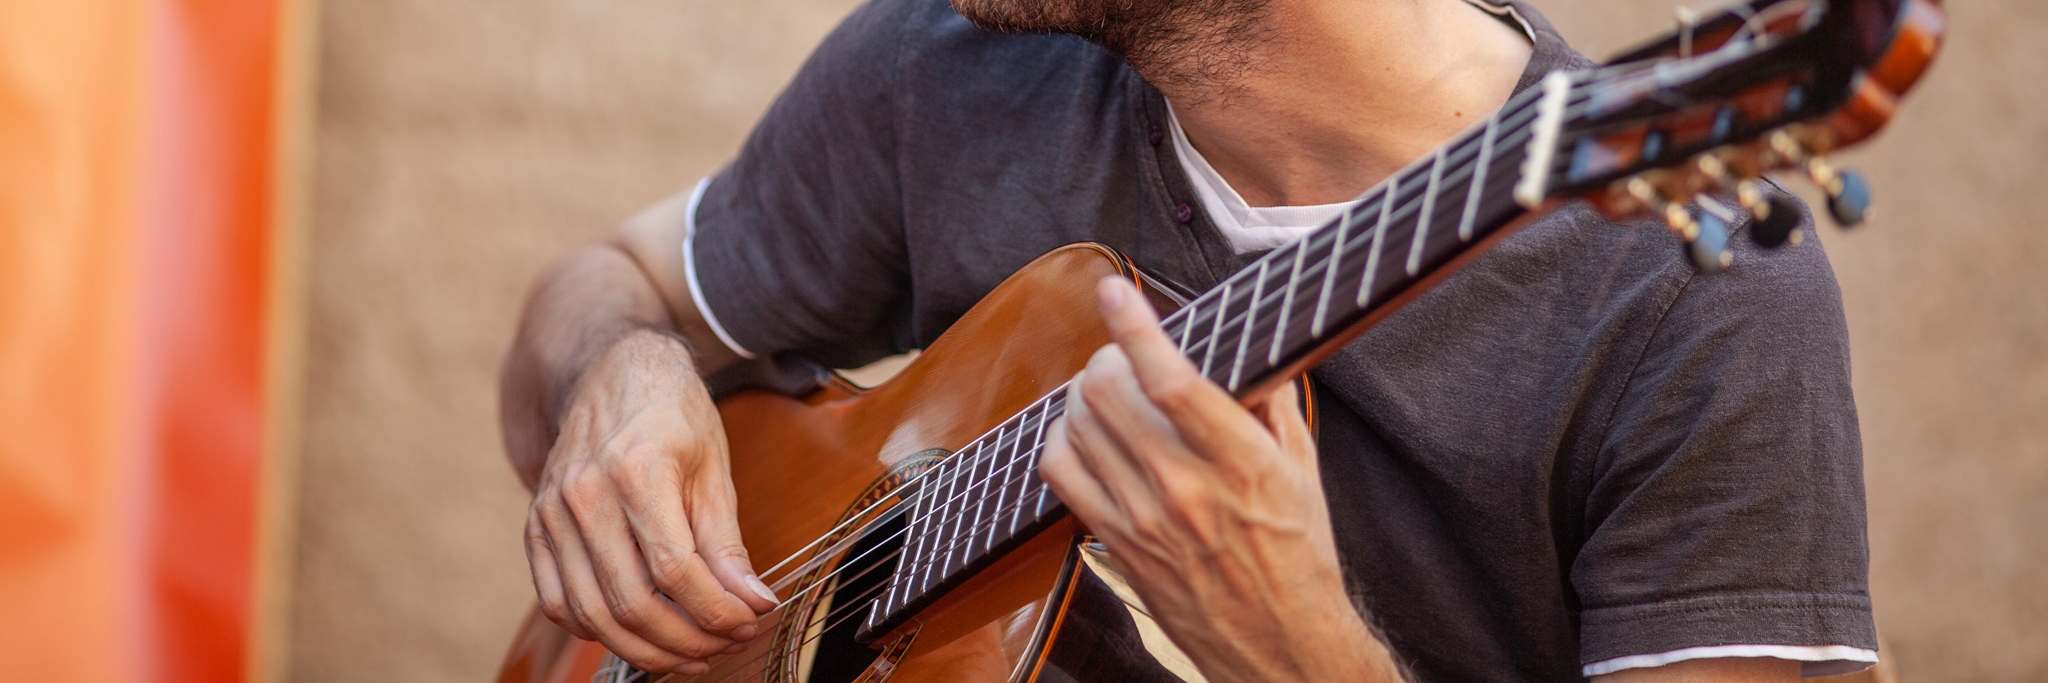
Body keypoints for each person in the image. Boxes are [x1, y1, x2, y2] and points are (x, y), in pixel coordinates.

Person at [498, 0, 1878, 679]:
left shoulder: (1698, 304)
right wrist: (619, 367)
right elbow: (601, 284)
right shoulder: (942, 72)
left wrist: (1300, 650)